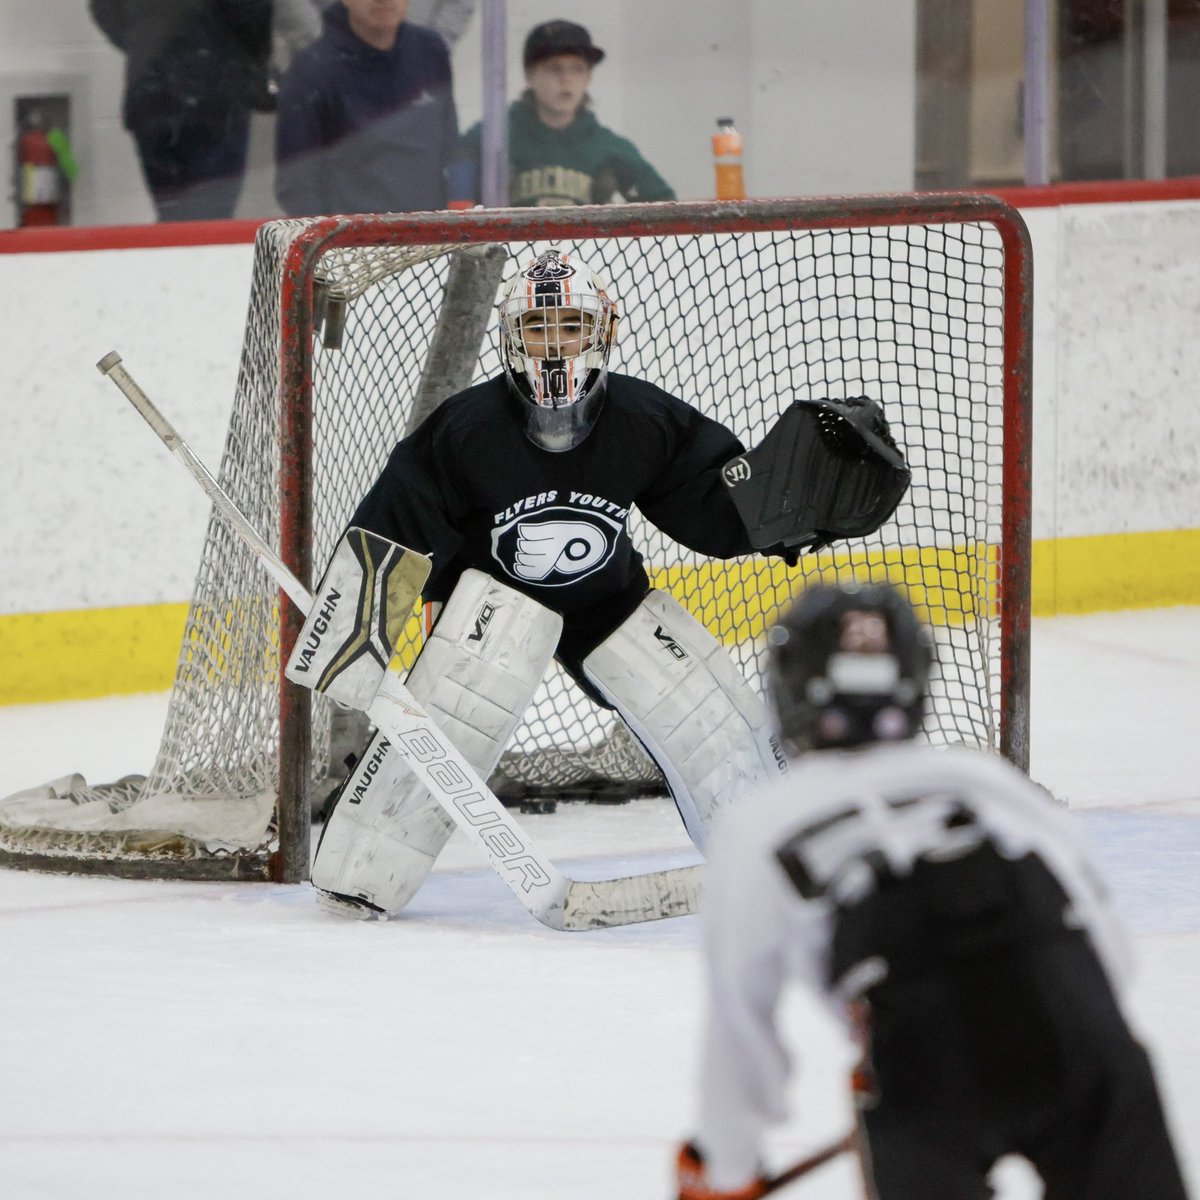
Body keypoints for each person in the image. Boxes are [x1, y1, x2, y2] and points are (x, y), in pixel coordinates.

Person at [306, 247, 908, 921]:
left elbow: (713, 508)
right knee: (451, 714)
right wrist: (358, 636)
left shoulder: (642, 419)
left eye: (570, 325)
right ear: (512, 338)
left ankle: (766, 858)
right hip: (493, 608)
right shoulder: (468, 429)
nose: (554, 344)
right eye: (538, 329)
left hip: (606, 603)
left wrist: (799, 508)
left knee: (709, 724)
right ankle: (361, 877)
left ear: (604, 330)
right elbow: (400, 521)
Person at [675, 582, 1190, 1200]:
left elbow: (741, 1023)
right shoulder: (982, 781)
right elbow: (1107, 948)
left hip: (922, 1065)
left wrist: (726, 1168)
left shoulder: (760, 825)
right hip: (1084, 1042)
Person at [454, 19, 676, 207]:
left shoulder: (607, 147)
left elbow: (664, 206)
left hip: (586, 257)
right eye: (554, 68)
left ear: (589, 77)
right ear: (530, 75)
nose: (566, 79)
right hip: (508, 257)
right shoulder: (491, 138)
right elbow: (450, 203)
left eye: (577, 68)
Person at [89, 0, 276, 222]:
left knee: (172, 216)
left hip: (151, 93)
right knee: (211, 220)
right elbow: (252, 12)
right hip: (214, 91)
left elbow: (103, 8)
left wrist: (144, 41)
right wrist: (253, 62)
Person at [274, 0, 458, 216]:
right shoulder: (311, 70)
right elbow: (296, 186)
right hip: (348, 242)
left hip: (426, 238)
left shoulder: (431, 52)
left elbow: (447, 147)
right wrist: (333, 244)